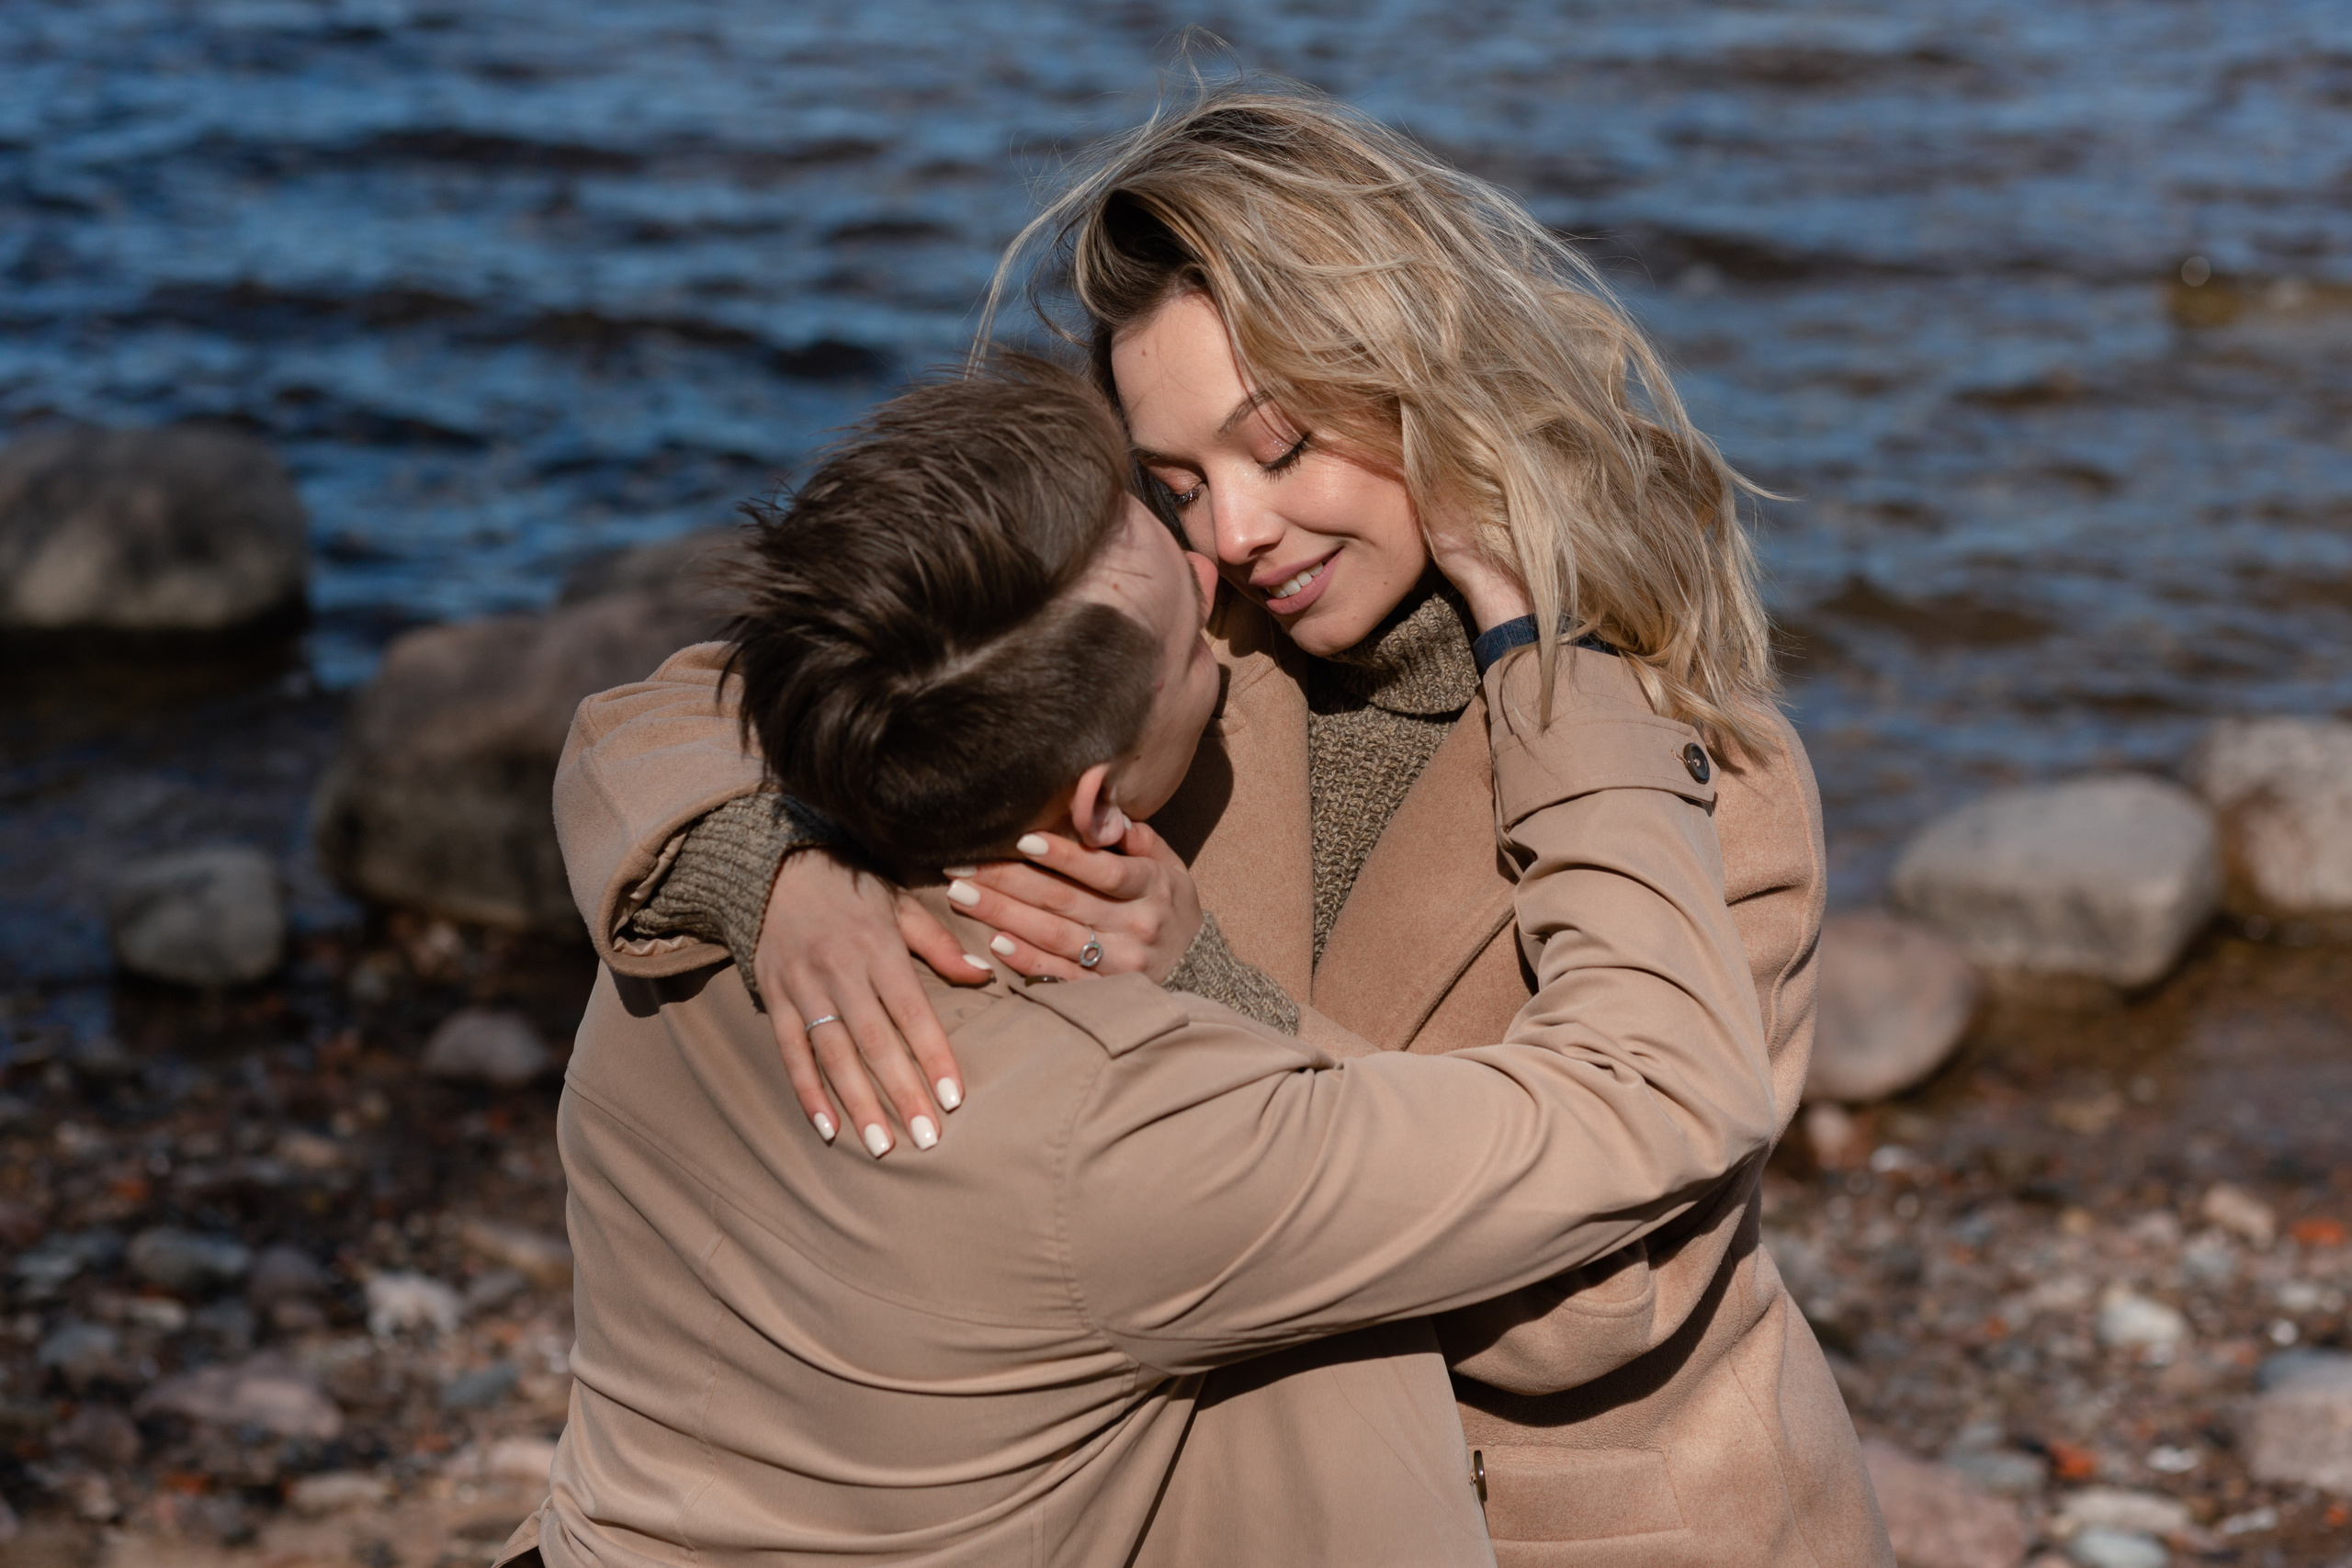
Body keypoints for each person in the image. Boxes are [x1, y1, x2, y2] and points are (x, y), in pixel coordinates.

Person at [556, 81, 1889, 1563]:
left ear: (1433, 384)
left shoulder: (1695, 766)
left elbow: (1602, 1300)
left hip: (1597, 1524)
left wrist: (1214, 994)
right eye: (1177, 478)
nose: (1233, 534)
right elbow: (697, 699)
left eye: (1284, 445)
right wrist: (777, 869)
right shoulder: (1173, 653)